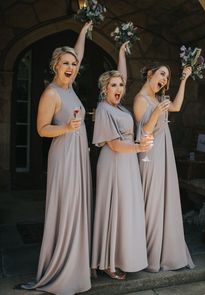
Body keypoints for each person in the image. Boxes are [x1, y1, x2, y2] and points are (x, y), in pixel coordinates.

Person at [20, 22, 93, 294]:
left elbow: (79, 54)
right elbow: (41, 129)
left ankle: (76, 266)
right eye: (65, 63)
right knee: (66, 209)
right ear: (55, 65)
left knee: (78, 208)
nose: (71, 67)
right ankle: (60, 269)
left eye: (73, 64)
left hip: (79, 157)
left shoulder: (70, 86)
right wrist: (65, 128)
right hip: (63, 157)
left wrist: (84, 31)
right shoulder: (51, 92)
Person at [91, 43, 153, 280]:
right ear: (104, 90)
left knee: (126, 210)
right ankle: (108, 261)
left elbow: (122, 76)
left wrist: (120, 54)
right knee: (114, 208)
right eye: (113, 85)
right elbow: (115, 144)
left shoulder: (121, 107)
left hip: (127, 162)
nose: (118, 88)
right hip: (114, 161)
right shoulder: (104, 109)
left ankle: (125, 256)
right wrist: (139, 147)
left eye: (120, 86)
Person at [133, 63, 195, 272]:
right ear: (149, 73)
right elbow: (143, 132)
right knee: (152, 203)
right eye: (161, 74)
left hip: (164, 154)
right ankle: (150, 256)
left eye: (167, 77)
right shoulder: (140, 100)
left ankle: (164, 252)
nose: (164, 80)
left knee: (165, 200)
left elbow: (176, 106)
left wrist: (184, 79)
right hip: (150, 154)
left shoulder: (158, 99)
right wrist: (156, 112)